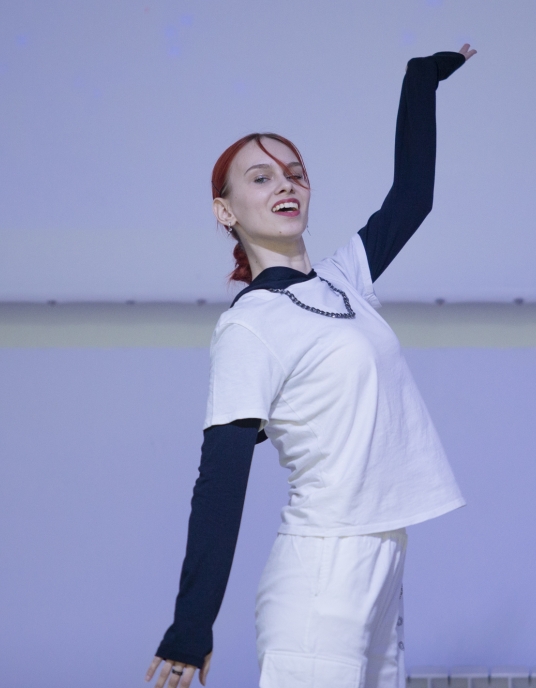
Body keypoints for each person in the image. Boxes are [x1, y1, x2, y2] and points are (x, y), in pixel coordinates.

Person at [145, 44, 477, 688]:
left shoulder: (343, 280)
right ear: (225, 210)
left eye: (295, 173)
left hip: (382, 556)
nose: (285, 184)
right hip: (324, 570)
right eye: (261, 177)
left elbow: (412, 197)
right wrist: (192, 625)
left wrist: (421, 80)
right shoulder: (249, 326)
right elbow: (220, 483)